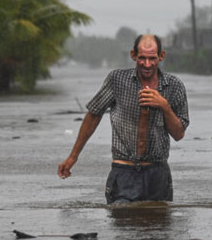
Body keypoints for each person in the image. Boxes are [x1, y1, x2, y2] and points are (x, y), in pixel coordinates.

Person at [57, 34, 189, 204]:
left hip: (158, 173)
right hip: (124, 171)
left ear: (161, 56)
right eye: (142, 58)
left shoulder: (174, 86)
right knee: (122, 225)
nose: (147, 64)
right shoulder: (117, 80)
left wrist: (164, 105)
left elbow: (179, 134)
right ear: (133, 55)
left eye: (152, 58)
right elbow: (93, 115)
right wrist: (73, 157)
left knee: (158, 227)